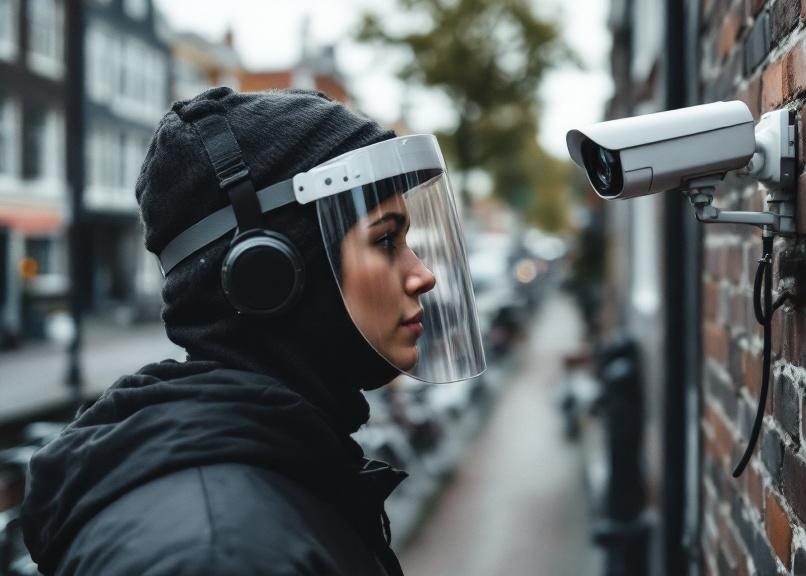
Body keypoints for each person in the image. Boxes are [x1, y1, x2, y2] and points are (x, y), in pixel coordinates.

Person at [20, 87, 485, 575]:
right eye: (386, 239)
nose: (423, 274)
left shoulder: (287, 476)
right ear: (268, 274)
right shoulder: (218, 554)